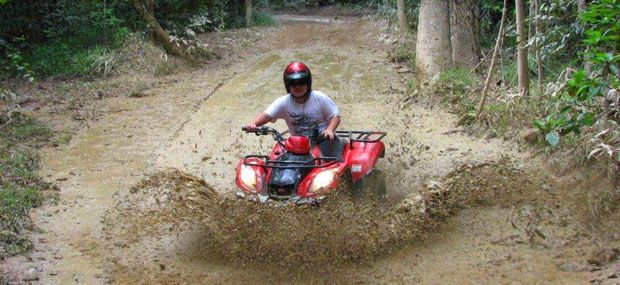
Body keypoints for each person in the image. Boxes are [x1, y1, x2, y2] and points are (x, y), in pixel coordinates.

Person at [244, 61, 344, 159]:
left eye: (301, 83)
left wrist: (329, 129)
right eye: (293, 84)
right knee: (280, 165)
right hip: (298, 144)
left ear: (307, 83)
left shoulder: (319, 97)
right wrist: (254, 124)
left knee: (333, 165)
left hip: (324, 139)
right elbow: (267, 115)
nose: (298, 87)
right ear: (288, 85)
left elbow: (335, 116)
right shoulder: (283, 101)